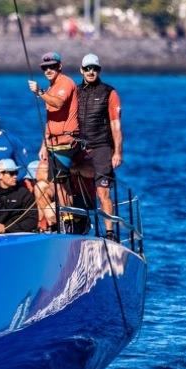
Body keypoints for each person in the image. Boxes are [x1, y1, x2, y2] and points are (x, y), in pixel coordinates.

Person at [27, 51, 79, 222]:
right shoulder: (51, 88)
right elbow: (50, 121)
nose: (48, 70)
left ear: (59, 67)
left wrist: (39, 92)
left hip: (66, 142)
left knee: (59, 182)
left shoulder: (66, 83)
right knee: (50, 182)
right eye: (45, 68)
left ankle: (68, 218)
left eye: (52, 67)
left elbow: (58, 103)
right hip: (53, 144)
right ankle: (48, 223)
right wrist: (44, 145)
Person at [76, 53, 123, 237]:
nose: (91, 72)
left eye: (94, 68)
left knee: (103, 192)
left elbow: (115, 124)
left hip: (102, 146)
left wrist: (117, 152)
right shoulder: (76, 92)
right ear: (81, 70)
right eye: (87, 68)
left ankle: (110, 232)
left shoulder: (109, 92)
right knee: (68, 182)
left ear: (99, 70)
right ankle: (71, 227)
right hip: (79, 148)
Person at [0, 159, 38, 235]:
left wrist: (6, 228)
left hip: (19, 238)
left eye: (16, 173)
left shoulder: (24, 194)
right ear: (0, 175)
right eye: (11, 173)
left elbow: (32, 220)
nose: (15, 176)